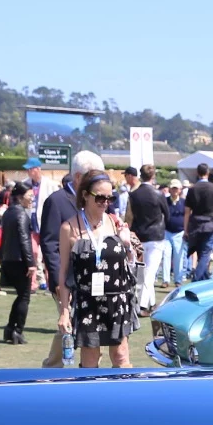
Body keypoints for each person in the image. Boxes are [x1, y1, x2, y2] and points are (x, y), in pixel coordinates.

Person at [58, 171, 138, 368]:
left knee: (121, 358)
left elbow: (130, 263)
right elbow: (64, 273)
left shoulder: (115, 222)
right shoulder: (69, 228)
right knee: (90, 362)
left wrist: (127, 244)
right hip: (88, 302)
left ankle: (123, 389)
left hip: (117, 300)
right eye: (100, 197)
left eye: (110, 198)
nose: (106, 203)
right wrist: (64, 311)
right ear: (85, 195)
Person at [40, 150, 105, 368]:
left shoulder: (97, 200)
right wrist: (59, 281)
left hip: (94, 277)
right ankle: (53, 368)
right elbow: (50, 244)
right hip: (68, 278)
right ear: (78, 177)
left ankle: (90, 366)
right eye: (94, 176)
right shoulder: (56, 201)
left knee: (93, 325)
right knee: (66, 325)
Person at [126, 164, 169, 316]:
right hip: (156, 236)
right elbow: (167, 214)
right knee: (149, 273)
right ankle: (142, 305)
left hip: (139, 236)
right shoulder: (159, 194)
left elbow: (129, 217)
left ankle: (151, 303)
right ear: (153, 176)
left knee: (143, 271)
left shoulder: (133, 195)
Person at [0, 181, 36, 344]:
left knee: (21, 296)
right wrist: (31, 263)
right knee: (24, 297)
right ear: (20, 197)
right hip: (20, 261)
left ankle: (10, 329)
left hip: (9, 259)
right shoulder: (21, 214)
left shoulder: (8, 213)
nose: (31, 198)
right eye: (29, 195)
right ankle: (17, 331)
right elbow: (24, 239)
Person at [183, 163, 213, 280]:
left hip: (195, 225)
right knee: (205, 254)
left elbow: (187, 212)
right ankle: (196, 279)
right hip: (210, 225)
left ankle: (204, 281)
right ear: (208, 173)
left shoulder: (192, 190)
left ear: (197, 173)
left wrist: (185, 229)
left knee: (201, 254)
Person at [162, 181, 186, 283]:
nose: (175, 190)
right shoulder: (165, 201)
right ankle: (165, 280)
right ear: (170, 189)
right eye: (173, 188)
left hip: (179, 232)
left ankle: (178, 280)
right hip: (167, 232)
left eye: (176, 188)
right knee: (166, 255)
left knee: (178, 256)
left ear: (180, 190)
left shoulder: (184, 202)